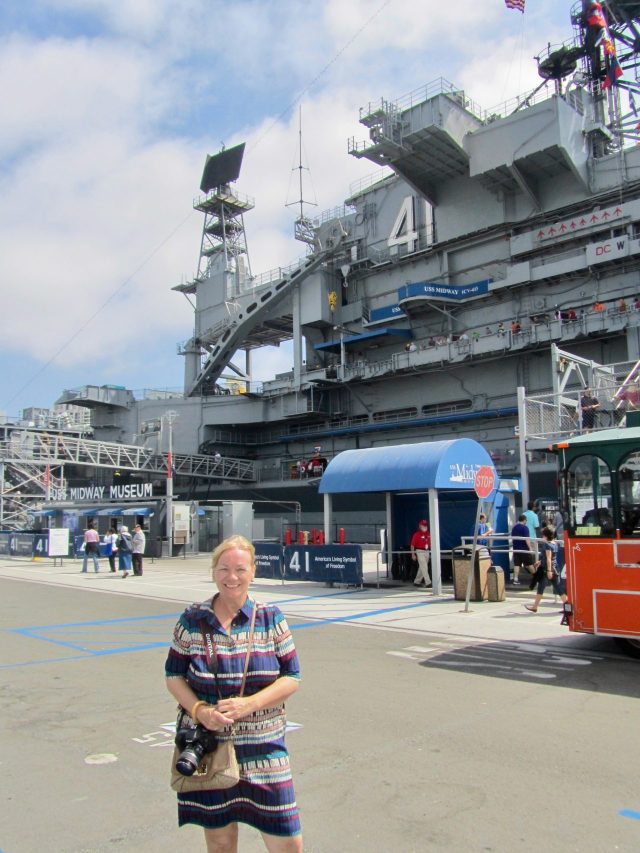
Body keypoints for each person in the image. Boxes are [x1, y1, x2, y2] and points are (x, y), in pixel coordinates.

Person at [165, 535, 302, 852]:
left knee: (288, 840)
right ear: (213, 571)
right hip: (204, 747)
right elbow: (173, 676)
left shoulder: (271, 618)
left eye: (240, 569)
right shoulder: (192, 620)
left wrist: (249, 704)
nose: (232, 577)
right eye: (224, 568)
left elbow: (292, 676)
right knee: (218, 839)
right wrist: (200, 711)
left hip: (264, 749)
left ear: (253, 572)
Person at [525, 526, 568, 613]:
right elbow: (551, 557)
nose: (542, 537)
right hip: (555, 569)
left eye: (543, 535)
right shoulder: (555, 543)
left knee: (541, 588)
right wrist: (540, 561)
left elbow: (549, 558)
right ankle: (568, 606)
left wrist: (549, 571)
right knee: (558, 588)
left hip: (547, 570)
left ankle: (535, 607)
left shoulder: (547, 545)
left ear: (546, 536)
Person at [510, 514, 533, 585]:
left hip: (516, 549)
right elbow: (527, 539)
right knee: (529, 564)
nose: (526, 522)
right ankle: (537, 577)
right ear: (524, 520)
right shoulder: (525, 528)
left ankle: (515, 579)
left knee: (517, 564)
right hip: (524, 549)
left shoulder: (514, 528)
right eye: (526, 520)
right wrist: (530, 548)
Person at [410, 519, 431, 587]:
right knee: (424, 567)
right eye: (423, 525)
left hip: (427, 551)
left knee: (422, 567)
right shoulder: (416, 534)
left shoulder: (428, 533)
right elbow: (412, 545)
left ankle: (417, 581)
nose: (425, 527)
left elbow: (430, 543)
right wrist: (413, 554)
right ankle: (428, 582)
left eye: (425, 525)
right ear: (420, 526)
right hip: (420, 551)